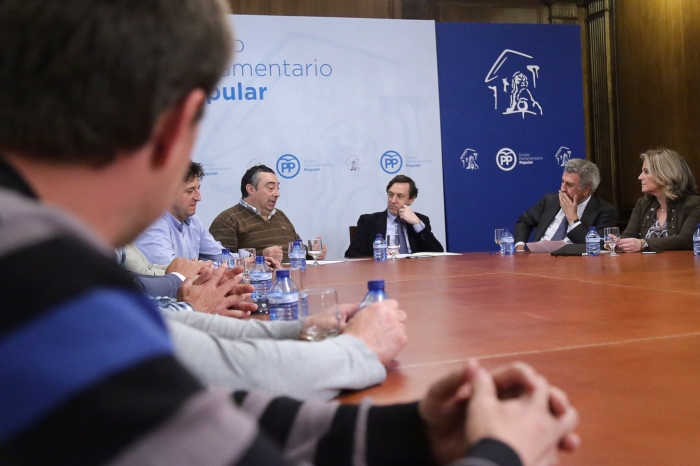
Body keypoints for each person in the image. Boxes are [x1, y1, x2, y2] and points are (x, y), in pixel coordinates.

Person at [0, 0, 579, 464]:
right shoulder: (35, 277)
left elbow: (187, 366)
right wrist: (503, 451)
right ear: (176, 128)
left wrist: (412, 430)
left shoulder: (37, 253)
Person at [210, 164, 327, 263]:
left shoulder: (280, 215)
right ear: (250, 189)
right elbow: (221, 263)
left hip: (291, 280)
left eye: (278, 188)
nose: (277, 194)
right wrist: (260, 258)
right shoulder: (227, 220)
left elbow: (297, 250)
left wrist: (314, 254)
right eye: (271, 188)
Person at [514, 159, 618, 250]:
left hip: (574, 266)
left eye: (569, 185)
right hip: (537, 260)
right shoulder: (550, 200)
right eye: (562, 182)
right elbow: (523, 221)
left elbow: (597, 245)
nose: (562, 189)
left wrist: (572, 218)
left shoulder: (605, 212)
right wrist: (519, 247)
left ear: (586, 189)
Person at [135, 161, 226, 264]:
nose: (198, 198)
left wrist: (245, 260)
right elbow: (172, 270)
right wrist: (207, 268)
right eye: (189, 191)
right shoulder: (152, 224)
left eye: (198, 189)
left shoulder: (193, 220)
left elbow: (220, 255)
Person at [618, 147, 700, 252]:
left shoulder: (694, 204)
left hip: (681, 266)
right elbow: (629, 234)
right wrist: (619, 243)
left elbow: (687, 239)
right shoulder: (643, 203)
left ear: (664, 175)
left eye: (646, 172)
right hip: (645, 266)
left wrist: (643, 243)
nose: (640, 177)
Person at [345, 174, 444, 257]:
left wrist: (417, 223)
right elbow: (351, 254)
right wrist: (381, 255)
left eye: (400, 196)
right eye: (390, 194)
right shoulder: (368, 221)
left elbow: (437, 253)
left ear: (411, 199)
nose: (392, 200)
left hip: (413, 274)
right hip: (381, 272)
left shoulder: (421, 220)